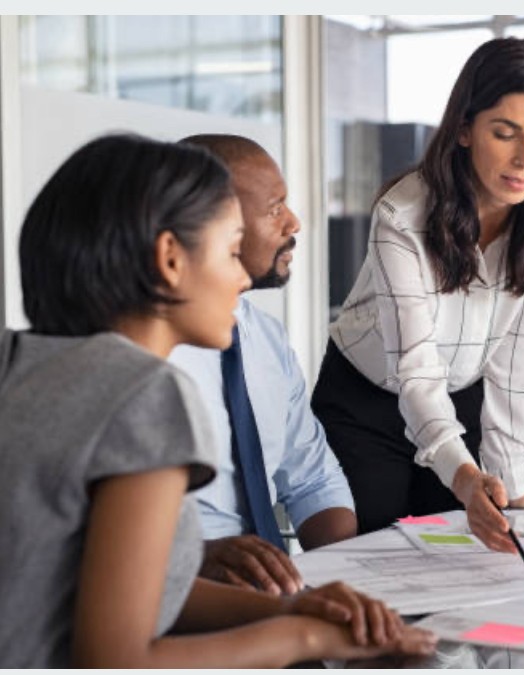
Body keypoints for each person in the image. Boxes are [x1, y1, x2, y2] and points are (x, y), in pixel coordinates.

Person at [0, 133, 436, 668]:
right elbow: (116, 660)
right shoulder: (144, 393)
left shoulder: (4, 361)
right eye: (229, 249)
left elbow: (121, 589)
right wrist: (308, 639)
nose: (242, 275)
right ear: (171, 259)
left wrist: (289, 609)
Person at [311, 36, 524, 551]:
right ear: (464, 128)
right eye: (505, 134)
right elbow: (415, 370)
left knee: (455, 560)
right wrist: (463, 477)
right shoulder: (402, 215)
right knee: (374, 558)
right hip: (368, 399)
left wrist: (512, 481)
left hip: (464, 395)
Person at [169, 134, 356, 597]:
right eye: (274, 208)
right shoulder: (147, 355)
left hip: (276, 594)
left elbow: (312, 476)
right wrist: (193, 557)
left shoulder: (265, 338)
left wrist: (347, 576)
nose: (294, 222)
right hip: (179, 592)